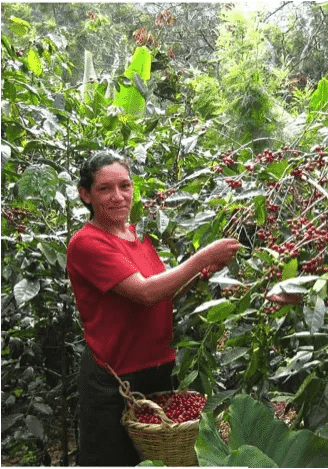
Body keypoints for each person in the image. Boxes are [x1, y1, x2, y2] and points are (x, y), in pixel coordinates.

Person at [66, 150, 241, 466]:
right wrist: (201, 258)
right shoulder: (87, 243)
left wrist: (203, 272)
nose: (118, 196)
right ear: (85, 194)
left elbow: (163, 289)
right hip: (115, 378)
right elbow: (145, 293)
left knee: (162, 461)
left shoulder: (138, 235)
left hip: (159, 369)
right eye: (105, 188)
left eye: (125, 185)